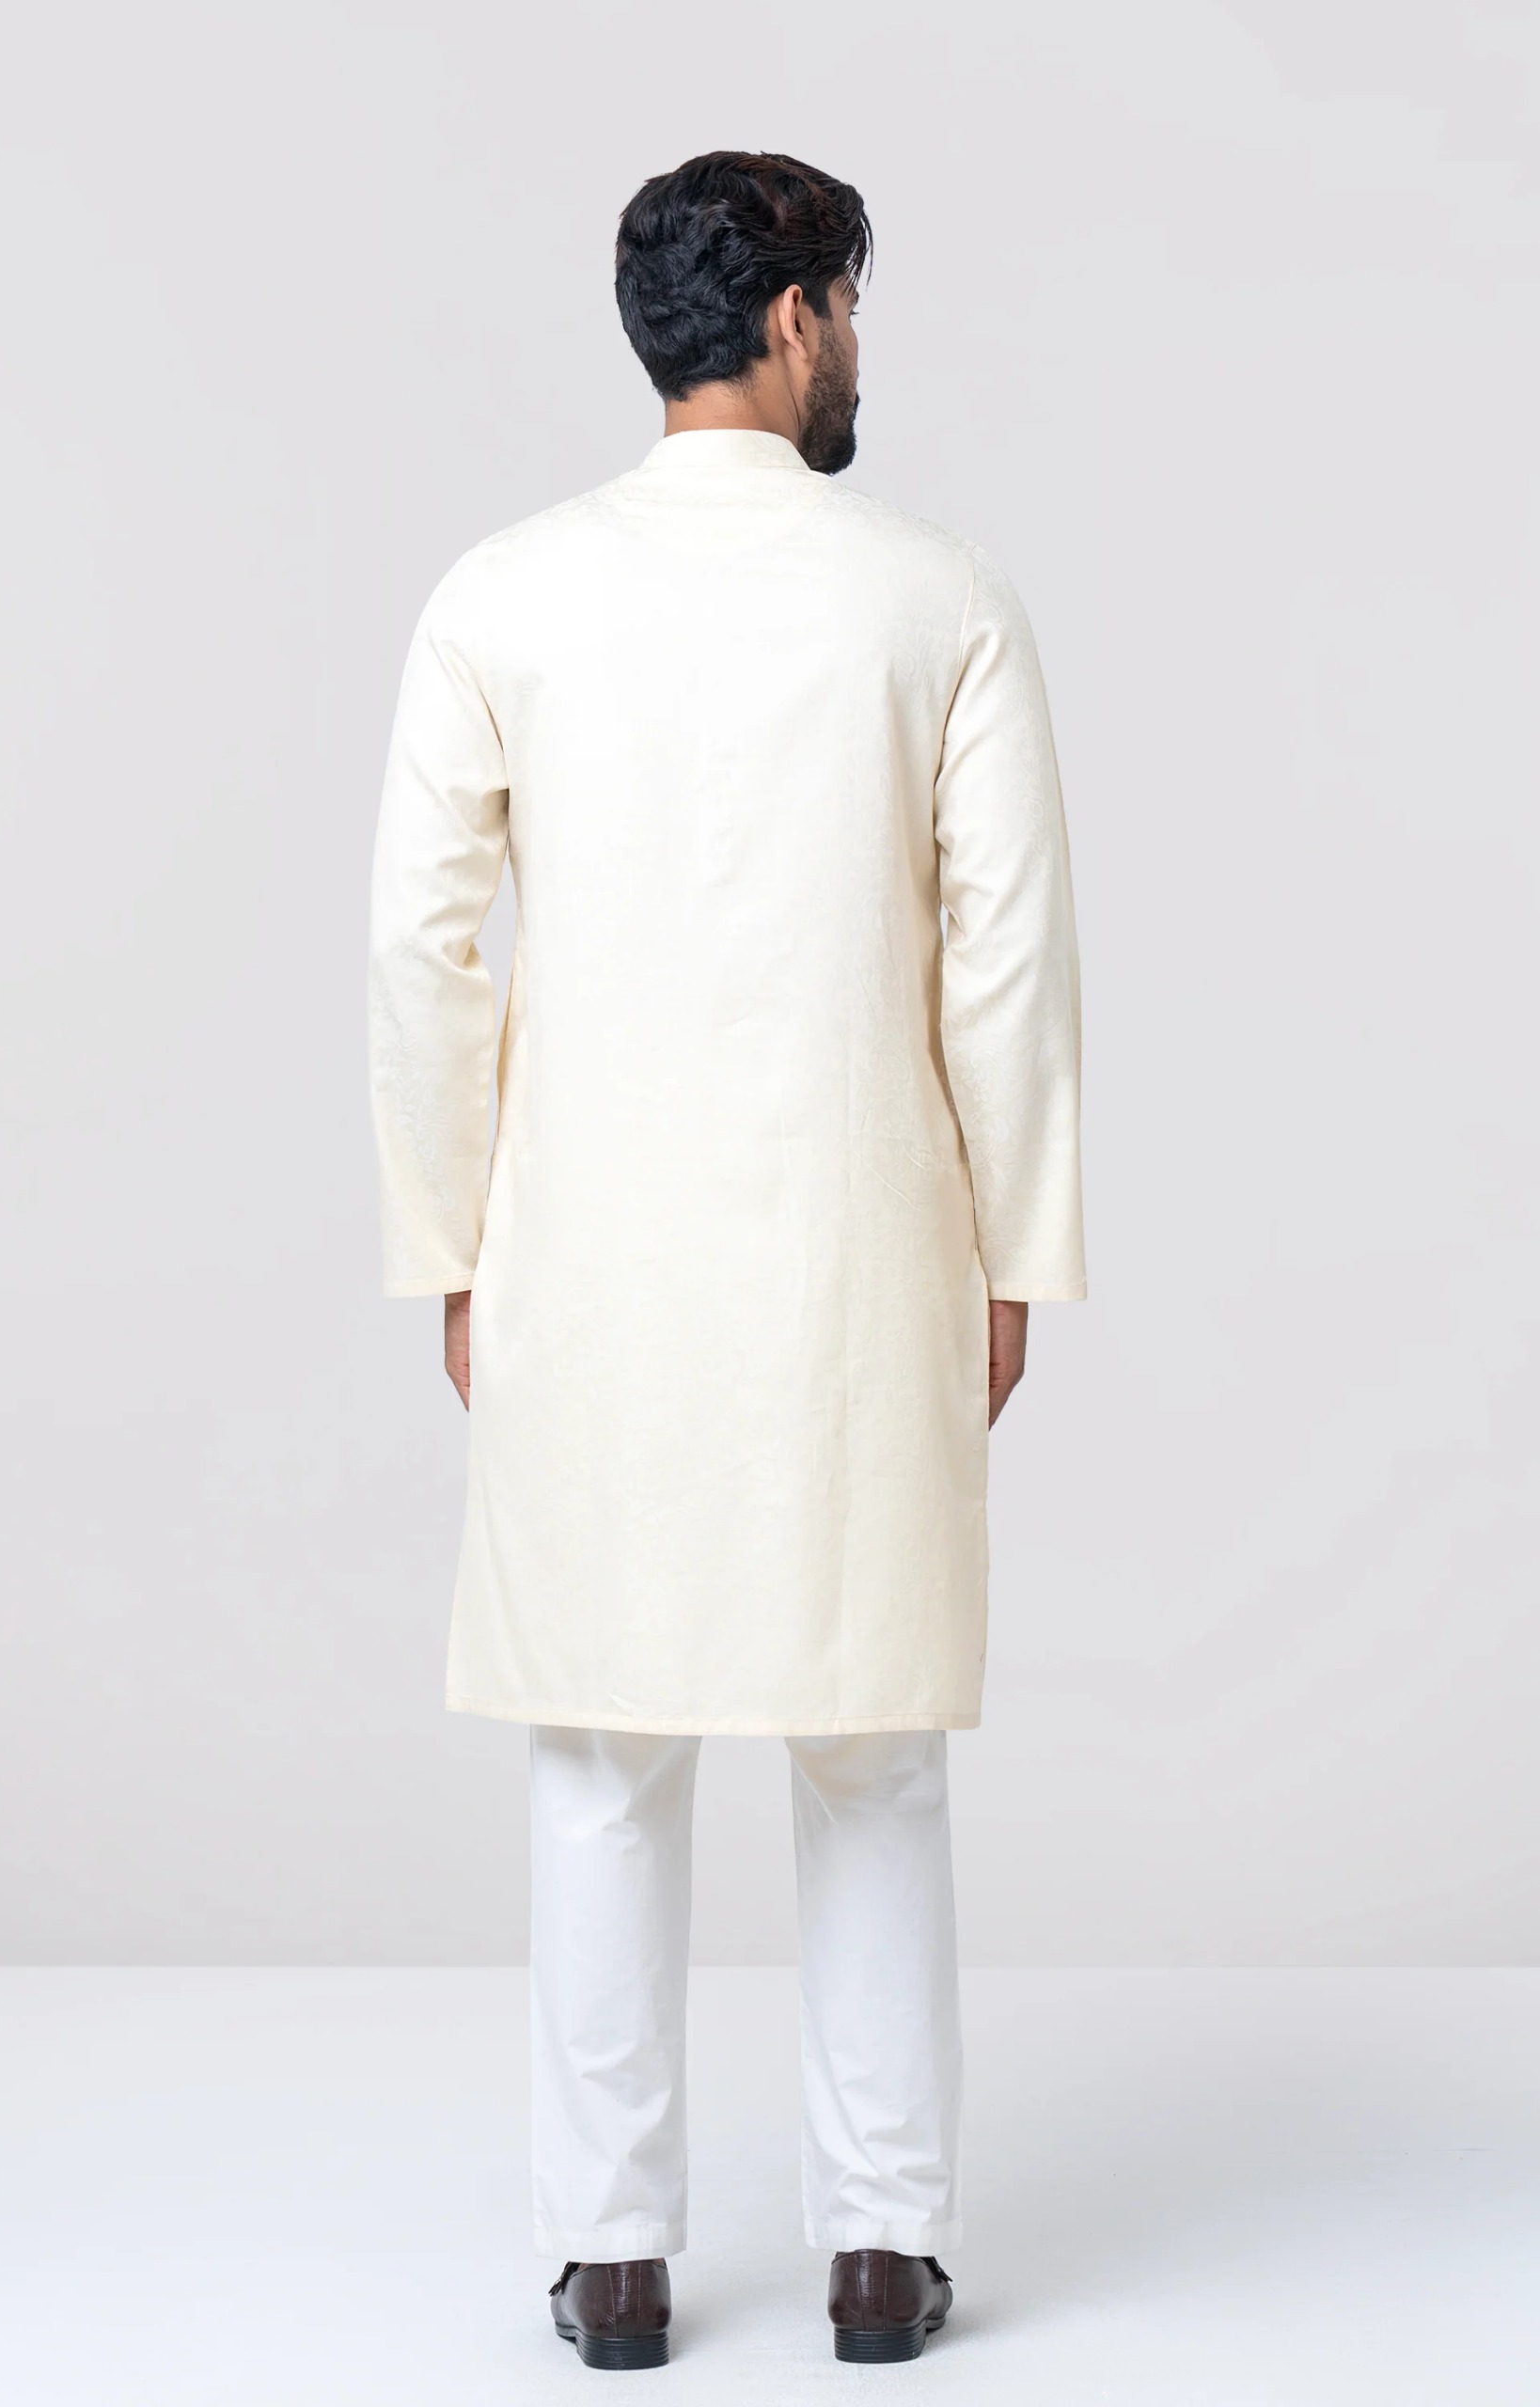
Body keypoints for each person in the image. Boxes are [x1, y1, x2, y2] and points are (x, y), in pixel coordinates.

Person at [368, 149, 1085, 2369]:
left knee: (604, 1747)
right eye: (847, 304)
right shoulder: (934, 596)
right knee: (872, 1742)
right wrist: (1013, 1245)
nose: (857, 342)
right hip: (868, 1250)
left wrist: (451, 1238)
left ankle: (612, 2259)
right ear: (788, 318)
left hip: (584, 1258)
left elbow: (420, 948)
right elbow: (1007, 962)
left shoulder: (503, 593)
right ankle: (881, 2248)